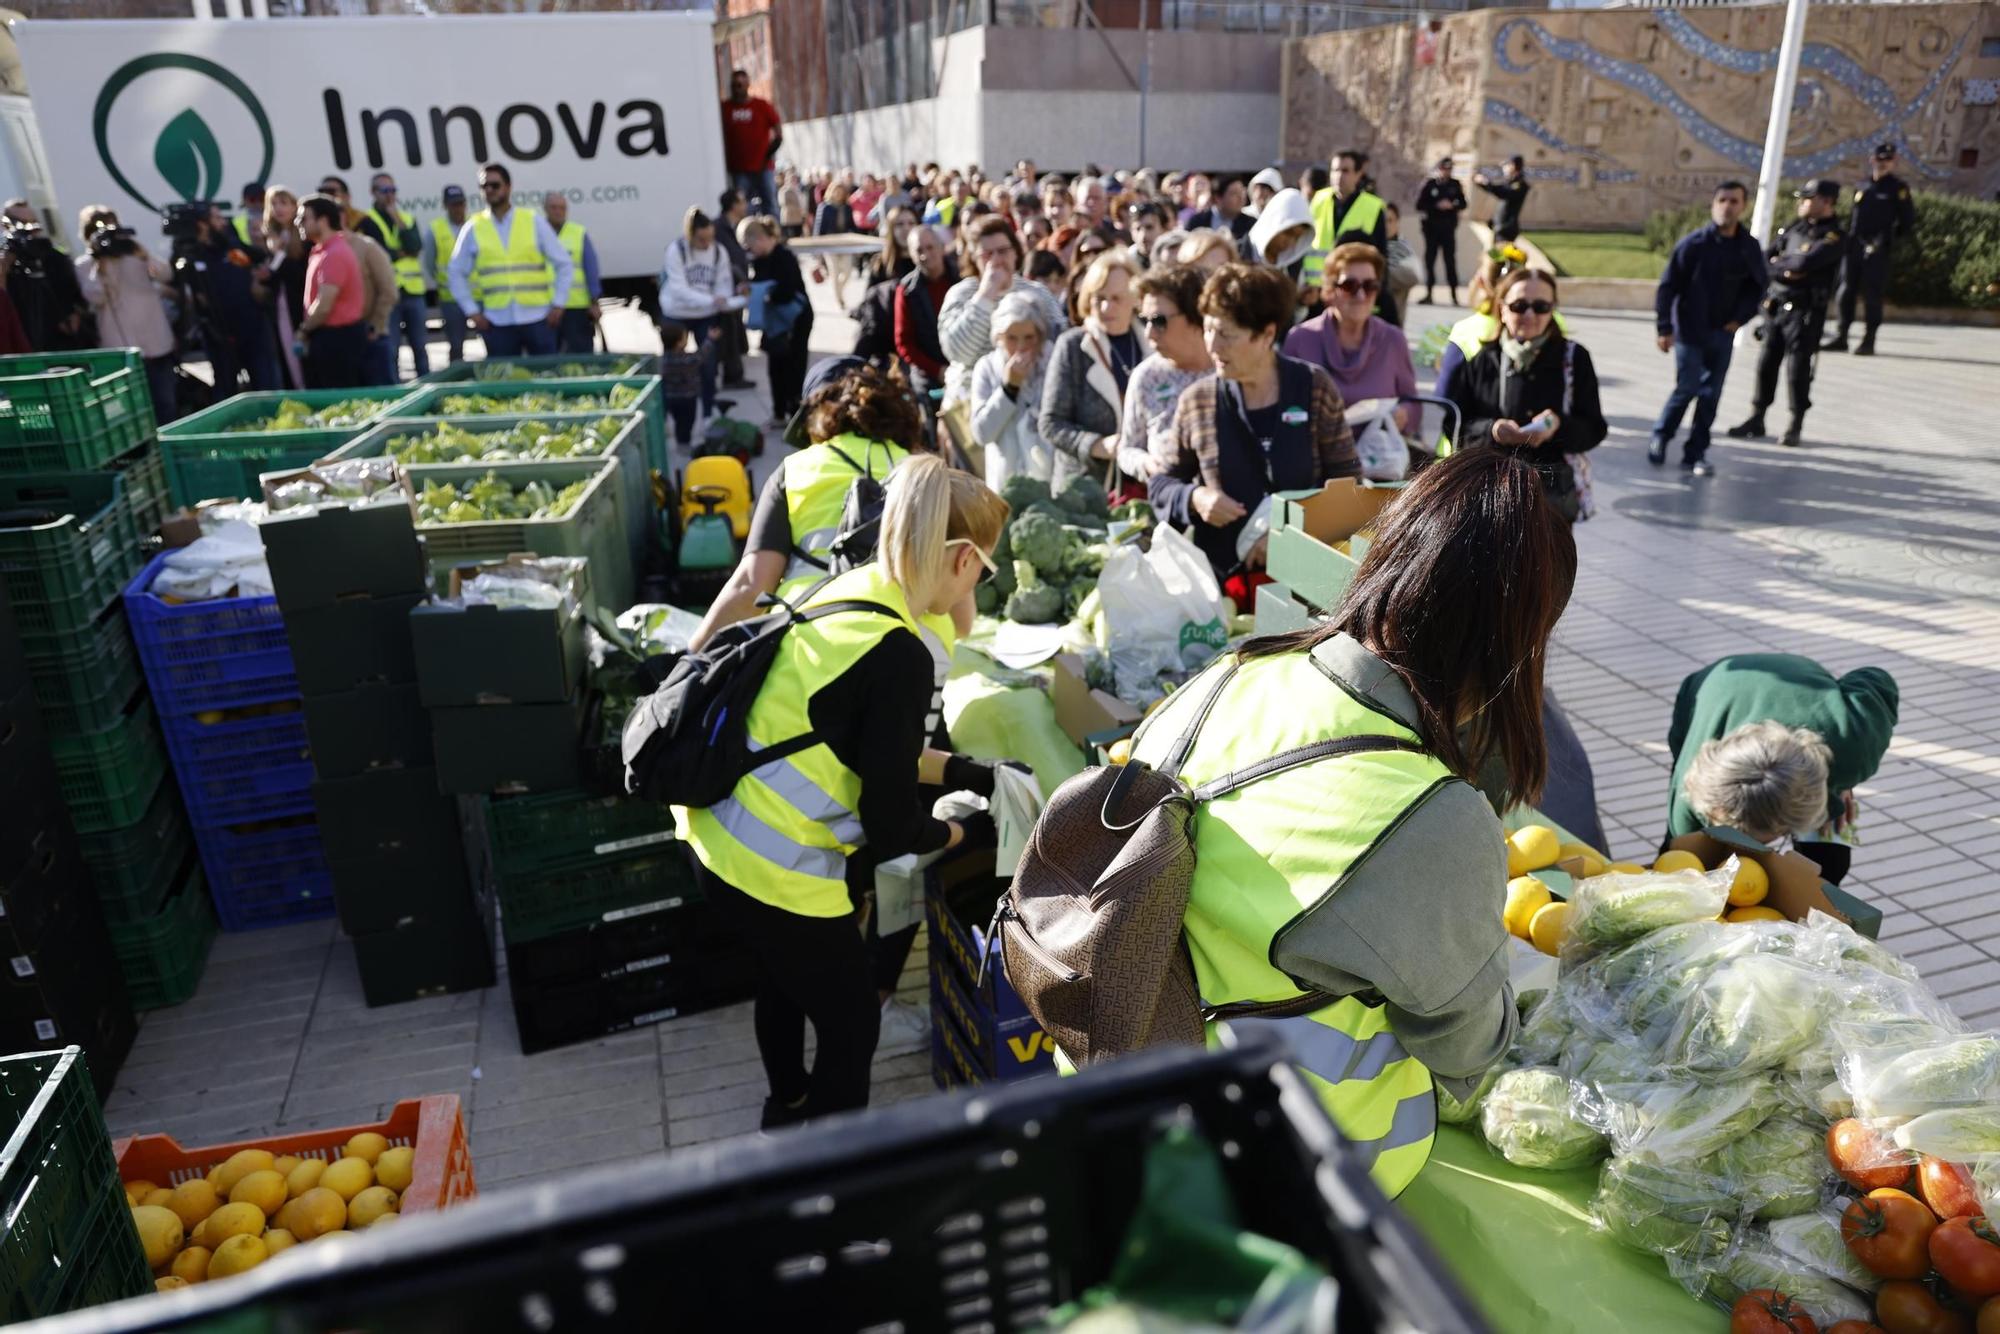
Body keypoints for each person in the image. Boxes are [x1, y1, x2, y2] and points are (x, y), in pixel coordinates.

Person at [1123, 448, 1573, 1197]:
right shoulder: (1430, 818)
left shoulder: (1232, 676)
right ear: (1512, 640)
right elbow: (1467, 1053)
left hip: (1109, 1091)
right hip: (1278, 1171)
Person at [677, 453, 1008, 1127]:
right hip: (776, 866)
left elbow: (862, 744)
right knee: (853, 1024)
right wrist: (964, 832)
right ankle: (831, 1188)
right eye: (985, 567)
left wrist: (958, 771)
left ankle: (786, 1104)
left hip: (717, 831)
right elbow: (891, 827)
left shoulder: (852, 590)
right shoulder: (904, 650)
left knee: (784, 978)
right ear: (963, 558)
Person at [1151, 263, 1358, 582]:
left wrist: (1285, 537)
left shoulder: (1314, 388)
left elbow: (1348, 488)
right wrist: (1194, 498)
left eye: (1226, 335)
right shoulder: (1198, 401)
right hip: (1222, 588)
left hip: (1306, 585)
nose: (1213, 346)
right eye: (1208, 329)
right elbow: (1163, 484)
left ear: (1267, 334)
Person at [1665, 655, 1899, 887]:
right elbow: (1679, 858)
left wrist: (1842, 784)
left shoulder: (1853, 744)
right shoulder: (1695, 792)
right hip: (1713, 686)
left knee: (1831, 862)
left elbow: (1876, 678)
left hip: (1804, 700)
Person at [1442, 267, 1604, 523]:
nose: (1530, 314)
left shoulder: (1573, 358)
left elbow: (1594, 428)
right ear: (1502, 309)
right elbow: (1455, 424)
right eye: (1519, 305)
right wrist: (1492, 430)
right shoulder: (1483, 360)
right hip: (1490, 495)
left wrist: (1556, 426)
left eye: (1541, 306)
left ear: (1552, 310)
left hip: (1550, 502)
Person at [1650, 181, 1767, 477]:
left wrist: (1739, 319)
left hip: (1722, 333)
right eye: (1722, 200)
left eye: (1734, 201)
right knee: (1687, 387)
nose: (1727, 206)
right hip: (1690, 331)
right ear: (1714, 204)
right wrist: (1664, 327)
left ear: (1743, 206)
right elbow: (1668, 286)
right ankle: (1661, 436)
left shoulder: (1747, 247)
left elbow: (1758, 288)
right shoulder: (1694, 244)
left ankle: (1696, 452)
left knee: (1711, 394)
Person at [1727, 179, 1846, 450]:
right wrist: (1785, 268)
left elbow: (1805, 262)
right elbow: (1764, 258)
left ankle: (1795, 423)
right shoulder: (1795, 228)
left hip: (1805, 313)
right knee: (1766, 363)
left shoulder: (1834, 236)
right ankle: (1757, 417)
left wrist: (1780, 265)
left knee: (1798, 370)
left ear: (1826, 202)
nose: (1802, 202)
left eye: (1809, 198)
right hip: (1777, 307)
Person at [1040, 248, 1148, 494]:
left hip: (1143, 489)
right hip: (1085, 492)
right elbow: (1050, 423)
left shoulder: (1151, 343)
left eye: (1117, 298)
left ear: (1136, 298)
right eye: (1099, 298)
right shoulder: (1074, 346)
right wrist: (1096, 445)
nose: (1107, 307)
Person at [1283, 243, 1418, 435]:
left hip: (1378, 457)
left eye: (1370, 286)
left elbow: (1412, 402)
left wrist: (1404, 414)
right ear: (1330, 289)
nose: (1361, 295)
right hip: (1315, 456)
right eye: (1350, 286)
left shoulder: (1393, 340)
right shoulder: (1300, 339)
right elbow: (1285, 407)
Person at [938, 215, 1066, 412]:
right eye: (987, 254)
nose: (997, 260)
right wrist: (985, 296)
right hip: (972, 403)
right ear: (974, 257)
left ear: (1015, 252)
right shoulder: (961, 294)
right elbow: (957, 352)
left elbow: (1060, 342)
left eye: (1003, 251)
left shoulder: (1037, 292)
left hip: (1032, 401)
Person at [447, 163, 573, 358]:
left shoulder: (532, 221)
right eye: (484, 186)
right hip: (497, 322)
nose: (489, 190)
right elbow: (455, 272)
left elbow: (563, 264)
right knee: (505, 385)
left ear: (508, 186)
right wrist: (472, 311)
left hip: (538, 318)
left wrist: (558, 303)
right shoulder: (474, 227)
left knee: (547, 377)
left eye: (495, 185)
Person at [74, 206, 177, 424]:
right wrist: (100, 264)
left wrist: (143, 253)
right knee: (132, 409)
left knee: (166, 403)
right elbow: (95, 297)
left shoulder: (135, 254)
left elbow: (166, 274)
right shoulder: (85, 264)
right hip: (120, 348)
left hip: (156, 342)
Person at [1824, 143, 1918, 356]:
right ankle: (1842, 336)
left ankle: (1869, 339)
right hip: (1854, 246)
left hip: (1877, 249)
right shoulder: (1862, 184)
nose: (1883, 164)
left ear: (1893, 163)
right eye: (1879, 159)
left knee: (1872, 295)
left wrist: (1887, 242)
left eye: (1887, 160)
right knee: (1845, 292)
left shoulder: (1897, 188)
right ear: (1872, 160)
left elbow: (1907, 220)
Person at [1125, 264, 1213, 476]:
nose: (1149, 333)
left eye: (1159, 321)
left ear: (1195, 316)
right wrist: (1146, 464)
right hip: (1168, 497)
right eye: (1144, 320)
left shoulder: (1230, 368)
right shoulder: (1147, 375)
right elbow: (1127, 449)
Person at [969, 287, 1059, 491]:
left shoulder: (1053, 362)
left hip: (1051, 483)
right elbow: (982, 433)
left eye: (1029, 337)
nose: (1020, 347)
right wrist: (1009, 388)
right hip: (1005, 485)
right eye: (1011, 338)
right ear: (999, 337)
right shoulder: (986, 367)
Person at [657, 206, 736, 421]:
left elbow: (723, 284)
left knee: (708, 365)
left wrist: (720, 298)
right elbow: (679, 289)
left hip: (706, 315)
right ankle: (665, 416)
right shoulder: (677, 250)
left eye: (710, 238)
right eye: (702, 239)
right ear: (691, 235)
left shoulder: (719, 251)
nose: (706, 244)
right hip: (676, 312)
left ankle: (708, 414)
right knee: (670, 368)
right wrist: (712, 300)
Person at [738, 215, 813, 423]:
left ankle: (795, 415)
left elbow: (787, 292)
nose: (748, 251)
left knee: (794, 368)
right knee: (775, 367)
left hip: (796, 321)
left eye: (749, 245)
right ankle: (779, 413)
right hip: (775, 323)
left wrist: (763, 293)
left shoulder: (784, 257)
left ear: (760, 239)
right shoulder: (761, 261)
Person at [1310, 150, 1397, 326]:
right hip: (1319, 292)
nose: (1338, 176)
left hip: (1353, 290)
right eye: (1335, 170)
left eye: (1345, 170)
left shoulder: (1373, 207)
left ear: (1358, 174)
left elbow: (1380, 256)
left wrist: (1375, 293)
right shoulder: (1318, 200)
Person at [356, 173, 429, 377]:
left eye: (393, 190)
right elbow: (382, 254)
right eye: (384, 191)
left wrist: (397, 219)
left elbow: (415, 246)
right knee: (392, 350)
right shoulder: (368, 220)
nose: (390, 195)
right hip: (387, 294)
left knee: (420, 348)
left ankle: (429, 386)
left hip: (413, 292)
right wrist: (401, 252)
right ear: (373, 192)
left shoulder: (405, 217)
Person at [295, 194, 370, 388]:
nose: (297, 223)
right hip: (331, 337)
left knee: (339, 395)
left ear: (323, 220)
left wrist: (304, 330)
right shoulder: (323, 251)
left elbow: (325, 303)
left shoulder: (334, 253)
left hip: (338, 339)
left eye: (304, 218)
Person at [893, 223, 956, 404]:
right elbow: (904, 342)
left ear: (941, 247)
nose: (926, 255)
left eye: (930, 247)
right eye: (919, 250)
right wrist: (938, 370)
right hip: (928, 375)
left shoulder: (962, 278)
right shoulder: (907, 291)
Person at [544, 192, 602, 356]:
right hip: (545, 306)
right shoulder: (536, 234)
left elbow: (591, 268)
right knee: (548, 356)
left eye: (562, 208)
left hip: (575, 307)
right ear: (546, 209)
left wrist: (594, 301)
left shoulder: (578, 233)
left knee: (579, 355)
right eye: (553, 208)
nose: (558, 211)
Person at [720, 69, 782, 212]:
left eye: (741, 85)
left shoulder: (762, 106)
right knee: (741, 207)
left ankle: (773, 233)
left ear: (748, 85)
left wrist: (768, 154)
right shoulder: (725, 108)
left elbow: (778, 132)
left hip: (763, 167)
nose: (738, 88)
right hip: (738, 169)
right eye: (735, 85)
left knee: (770, 203)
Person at [349, 218, 401, 385]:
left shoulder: (367, 247)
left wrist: (375, 325)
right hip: (353, 335)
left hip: (371, 333)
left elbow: (389, 292)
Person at [424, 184, 470, 365]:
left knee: (491, 341)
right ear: (445, 205)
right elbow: (430, 263)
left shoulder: (476, 225)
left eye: (460, 204)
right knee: (456, 344)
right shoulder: (436, 229)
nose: (457, 208)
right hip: (451, 297)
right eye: (453, 205)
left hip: (479, 295)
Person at [716, 188, 755, 390]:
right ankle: (731, 375)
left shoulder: (729, 227)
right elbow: (727, 263)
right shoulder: (720, 229)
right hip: (728, 291)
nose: (745, 205)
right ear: (733, 206)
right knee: (729, 333)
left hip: (735, 291)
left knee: (734, 332)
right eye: (741, 201)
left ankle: (734, 374)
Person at [1414, 158, 1467, 304]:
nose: (1447, 172)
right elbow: (1419, 204)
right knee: (1430, 261)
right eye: (1445, 168)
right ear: (1439, 169)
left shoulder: (1455, 185)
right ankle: (1429, 293)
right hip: (1431, 230)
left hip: (1448, 230)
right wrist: (1436, 205)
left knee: (1450, 262)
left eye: (1449, 169)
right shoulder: (1430, 184)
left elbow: (1463, 203)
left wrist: (1452, 205)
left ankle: (1454, 295)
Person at [660, 321, 702, 450]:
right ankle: (684, 444)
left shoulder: (664, 359)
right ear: (679, 343)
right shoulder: (685, 360)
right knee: (687, 421)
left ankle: (681, 441)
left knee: (679, 421)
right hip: (687, 398)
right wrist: (710, 341)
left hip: (671, 397)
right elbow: (700, 357)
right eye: (685, 337)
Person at [1472, 155, 1530, 243]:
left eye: (1506, 165)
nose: (1504, 168)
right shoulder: (1510, 183)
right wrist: (1481, 183)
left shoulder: (1520, 185)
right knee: (1496, 255)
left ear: (1513, 166)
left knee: (1501, 255)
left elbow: (1503, 193)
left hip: (1506, 230)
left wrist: (1486, 183)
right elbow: (1497, 189)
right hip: (1500, 228)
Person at [864, 207, 917, 288]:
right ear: (891, 229)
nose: (906, 228)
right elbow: (870, 297)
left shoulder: (927, 261)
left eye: (911, 223)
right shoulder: (880, 264)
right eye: (899, 224)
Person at [1072, 177, 1127, 245]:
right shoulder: (1069, 234)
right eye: (1087, 198)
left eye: (1096, 198)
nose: (1091, 203)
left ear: (1105, 203)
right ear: (1077, 202)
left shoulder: (1116, 234)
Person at [1125, 202, 1169, 267]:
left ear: (1163, 229)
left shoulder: (1174, 257)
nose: (1143, 235)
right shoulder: (1127, 263)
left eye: (1149, 227)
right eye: (1138, 229)